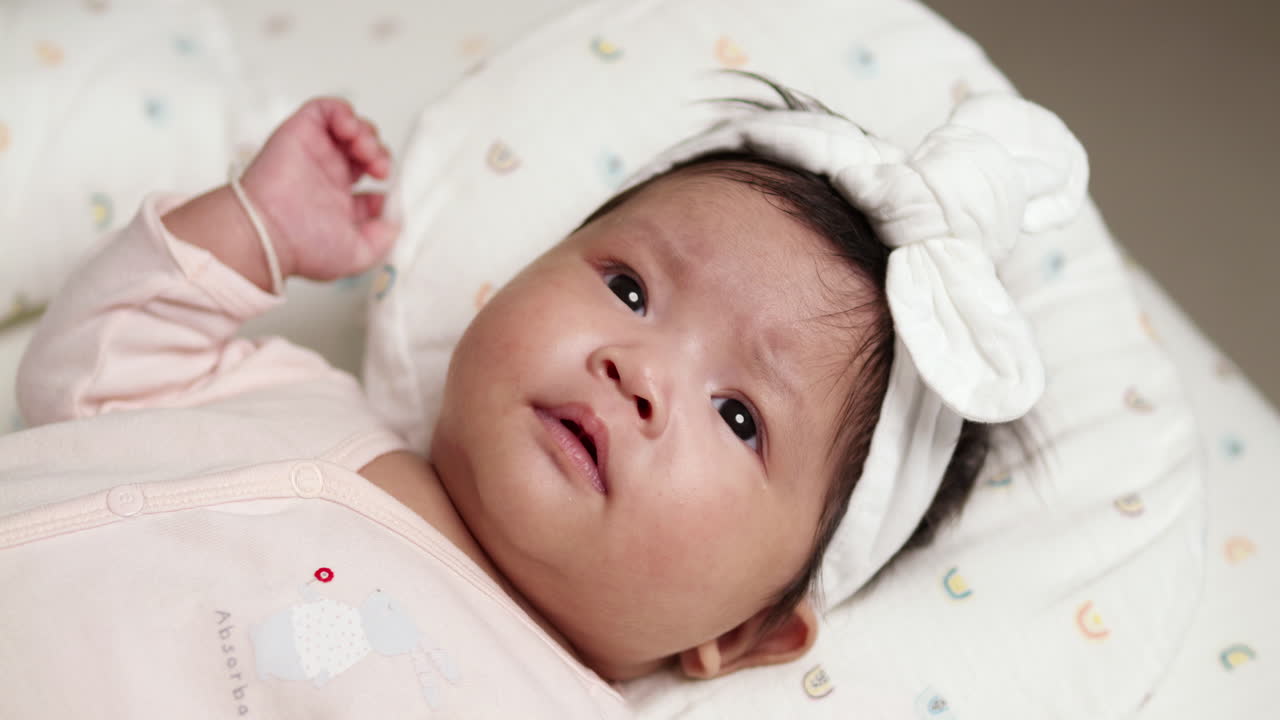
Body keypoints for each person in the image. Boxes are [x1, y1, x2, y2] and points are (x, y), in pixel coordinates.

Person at [1, 75, 1085, 717]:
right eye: (627, 287)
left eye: (740, 415)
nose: (641, 370)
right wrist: (256, 225)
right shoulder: (284, 390)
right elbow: (84, 372)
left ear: (745, 633)